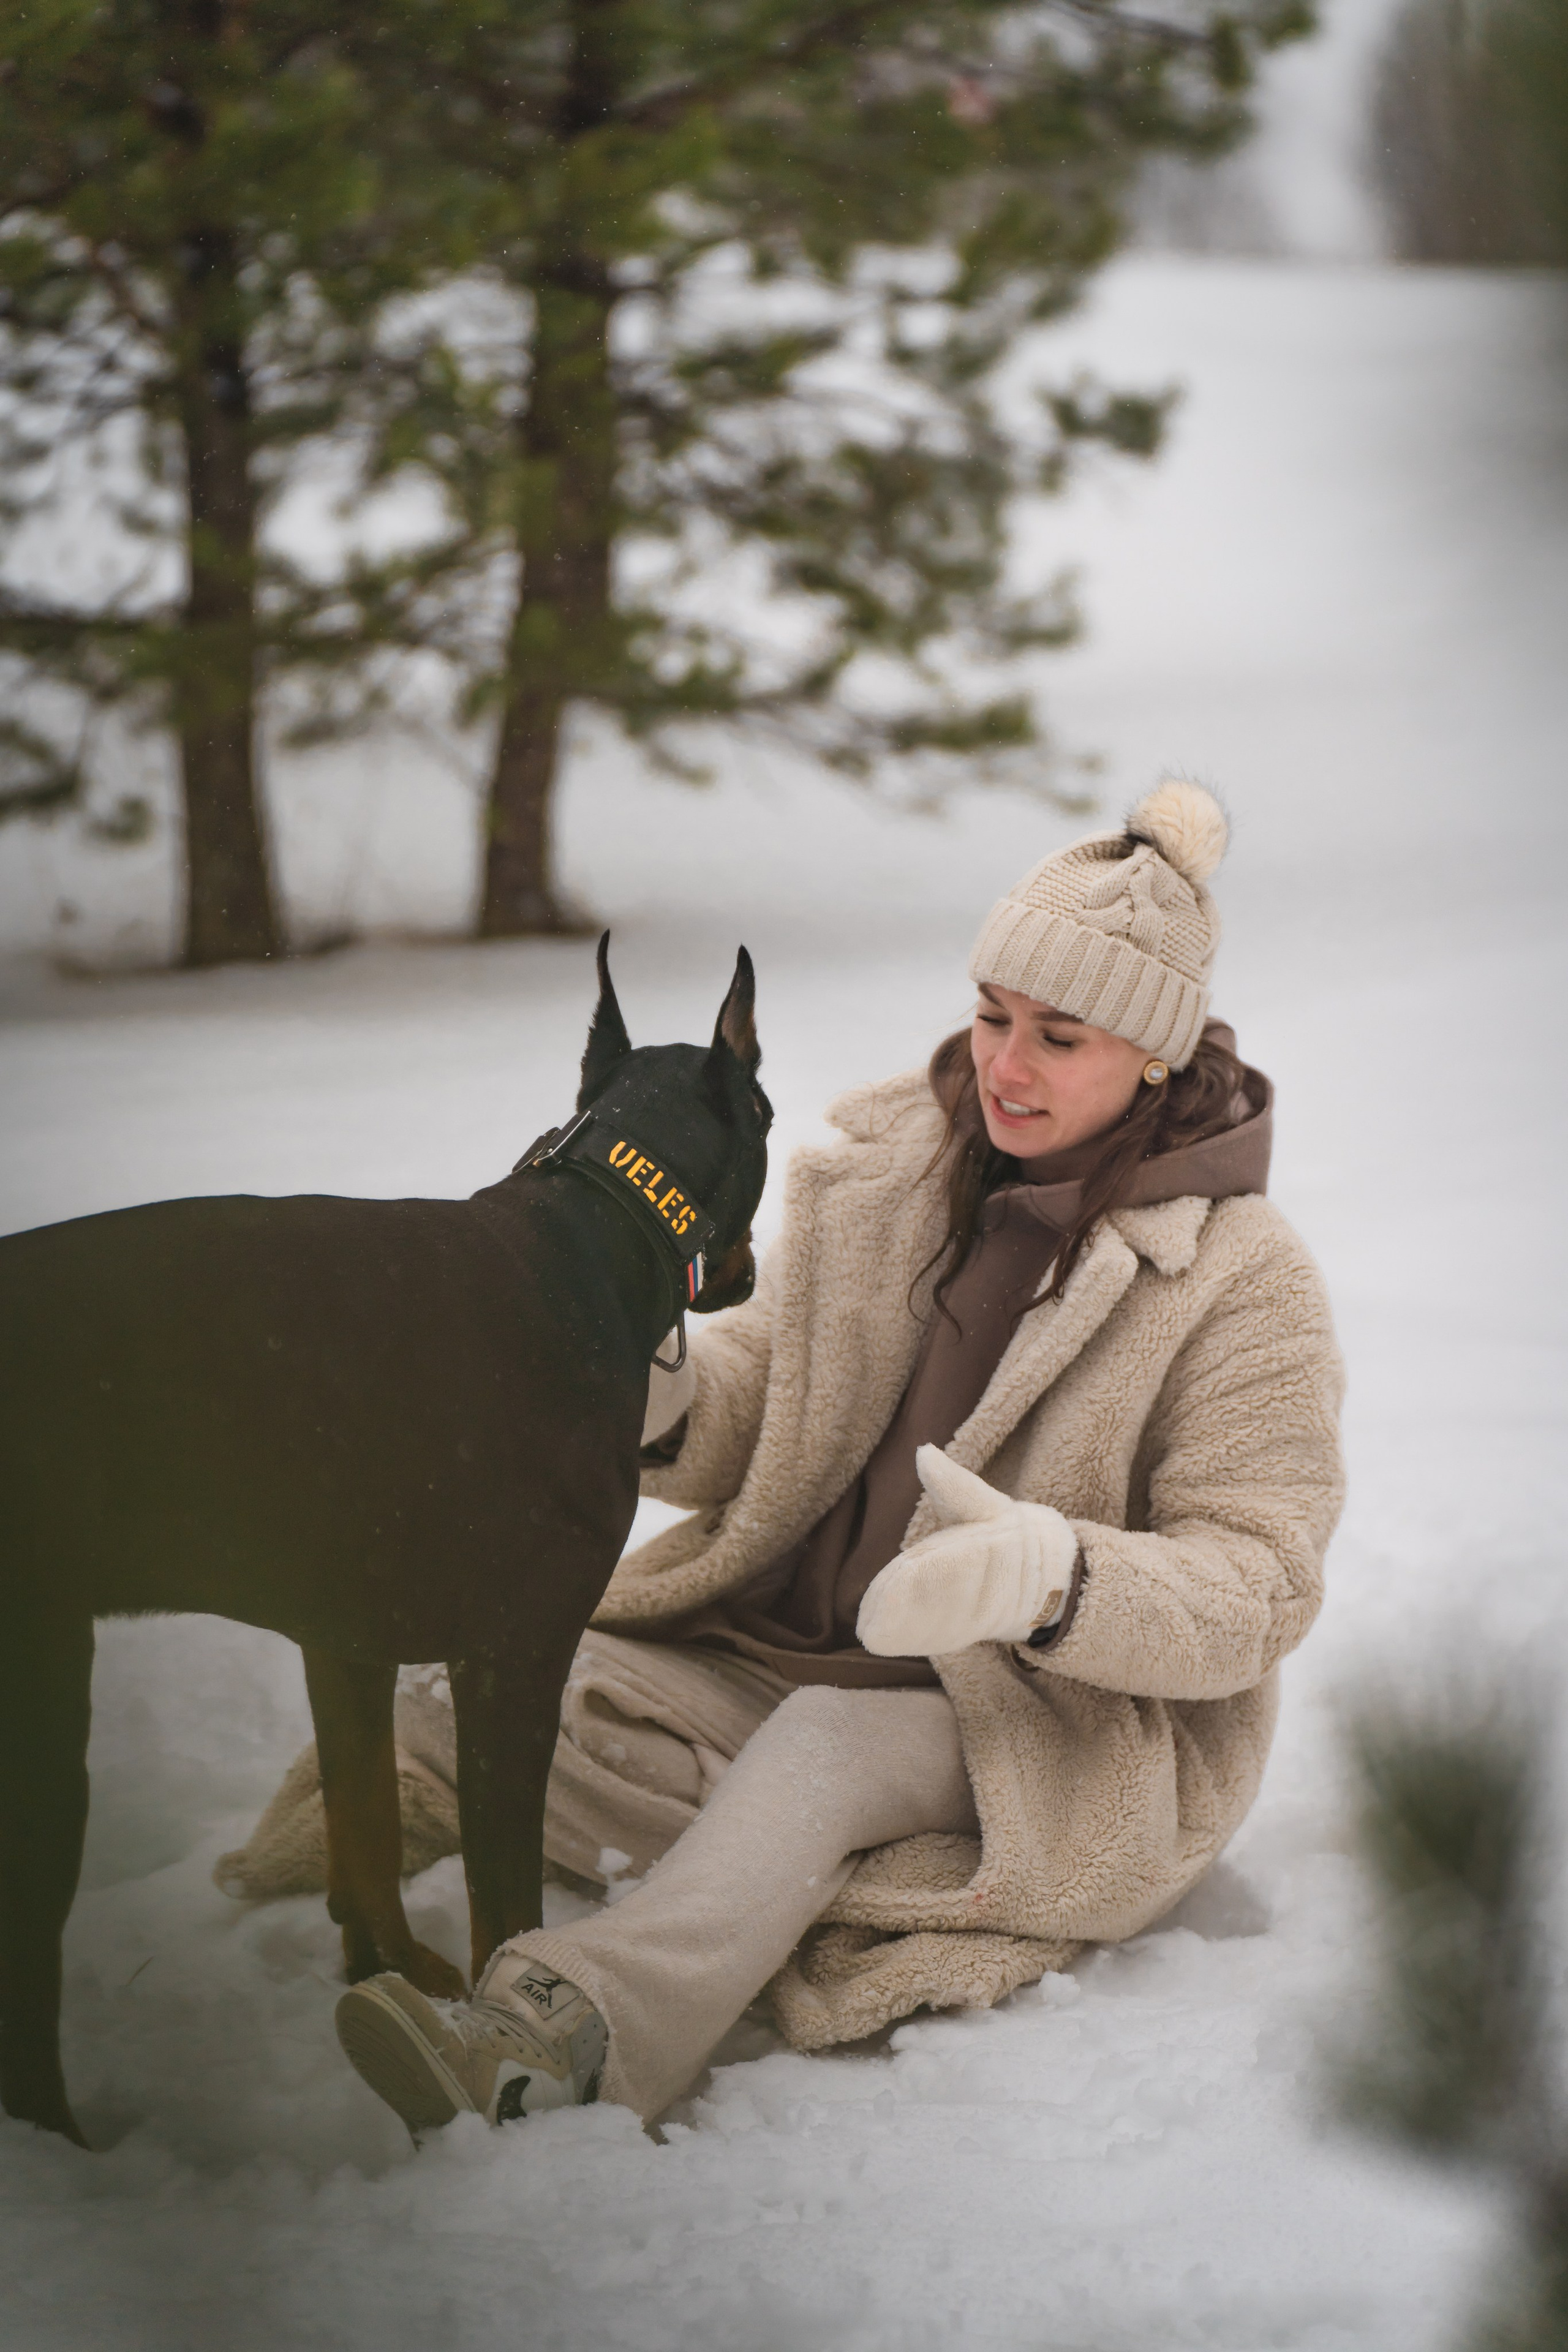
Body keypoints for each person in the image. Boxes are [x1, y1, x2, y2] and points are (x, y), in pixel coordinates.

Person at [328, 778, 1346, 2133]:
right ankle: (758, 1867)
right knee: (466, 1674)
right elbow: (778, 1403)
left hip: (1016, 1722)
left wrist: (1049, 1581)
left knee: (816, 1751)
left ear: (1154, 1056)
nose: (1004, 1066)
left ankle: (556, 2044)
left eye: (1059, 1036)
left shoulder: (1241, 1280)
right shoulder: (894, 1171)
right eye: (991, 1017)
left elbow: (1258, 1582)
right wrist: (642, 1385)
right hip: (764, 1651)